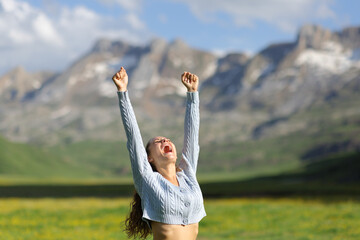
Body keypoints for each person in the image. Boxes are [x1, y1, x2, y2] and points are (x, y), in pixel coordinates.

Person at [112, 67, 206, 240]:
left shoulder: (188, 175)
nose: (166, 141)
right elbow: (133, 138)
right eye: (158, 142)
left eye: (168, 140)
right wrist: (122, 92)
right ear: (149, 158)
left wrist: (192, 94)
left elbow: (192, 138)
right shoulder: (148, 180)